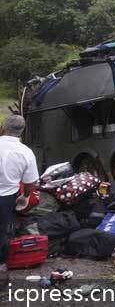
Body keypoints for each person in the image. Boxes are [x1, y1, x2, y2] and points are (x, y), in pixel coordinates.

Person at [0, 115, 39, 276]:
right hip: (7, 198)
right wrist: (25, 196)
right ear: (22, 131)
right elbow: (30, 183)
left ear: (3, 127)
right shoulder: (26, 152)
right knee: (4, 231)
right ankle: (1, 264)